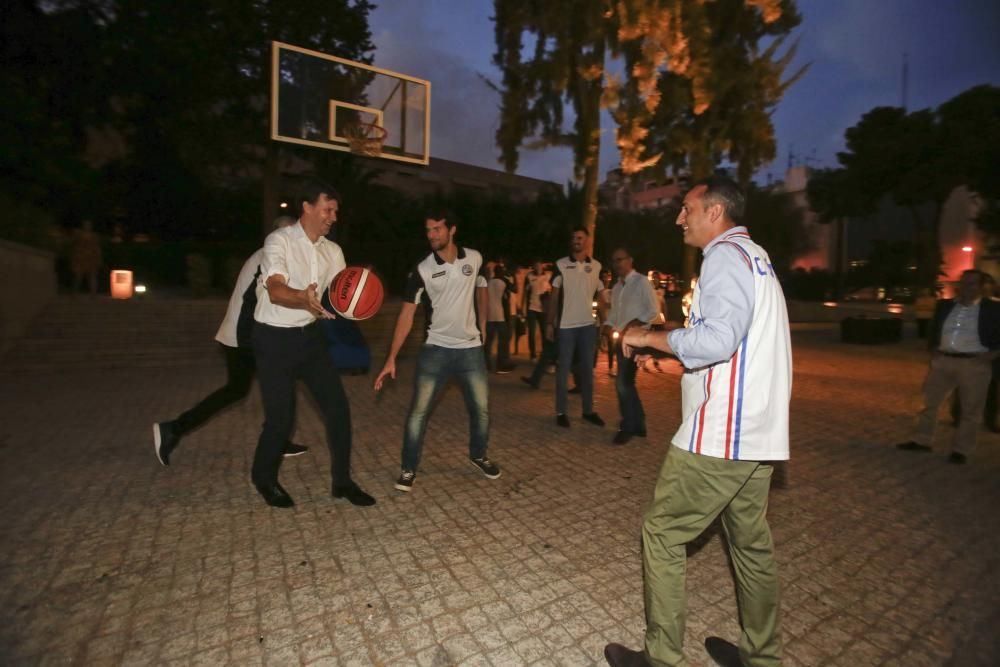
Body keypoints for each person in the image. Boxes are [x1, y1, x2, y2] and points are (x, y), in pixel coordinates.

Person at [605, 177, 792, 667]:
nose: (678, 218)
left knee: (662, 533)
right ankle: (761, 655)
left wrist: (646, 339)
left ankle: (662, 658)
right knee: (750, 545)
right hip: (758, 431)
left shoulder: (724, 257)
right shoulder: (755, 256)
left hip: (723, 433)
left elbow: (717, 340)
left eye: (687, 208)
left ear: (714, 212)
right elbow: (733, 345)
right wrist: (674, 357)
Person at [249, 178, 374, 509]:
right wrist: (302, 297)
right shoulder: (279, 241)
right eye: (327, 209)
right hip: (273, 337)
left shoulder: (333, 251)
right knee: (281, 418)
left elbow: (340, 298)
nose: (333, 217)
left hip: (310, 339)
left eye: (335, 211)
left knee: (338, 409)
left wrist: (358, 303)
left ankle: (342, 483)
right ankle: (264, 477)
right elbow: (275, 288)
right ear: (306, 207)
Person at [153, 217, 307, 466]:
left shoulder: (270, 257)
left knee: (255, 387)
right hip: (243, 336)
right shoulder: (269, 257)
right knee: (253, 388)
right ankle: (173, 428)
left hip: (245, 334)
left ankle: (276, 440)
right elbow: (258, 305)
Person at [373, 210, 501, 493]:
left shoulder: (475, 258)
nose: (431, 235)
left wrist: (482, 327)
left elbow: (481, 287)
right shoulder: (422, 269)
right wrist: (391, 357)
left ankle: (479, 455)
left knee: (481, 410)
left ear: (452, 230)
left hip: (470, 351)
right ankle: (408, 468)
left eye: (437, 229)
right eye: (428, 230)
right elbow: (406, 316)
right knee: (418, 412)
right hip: (436, 350)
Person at [897, 269, 1000, 464]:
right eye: (963, 282)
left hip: (974, 363)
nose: (966, 287)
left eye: (972, 283)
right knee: (928, 404)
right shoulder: (945, 305)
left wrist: (993, 354)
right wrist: (933, 347)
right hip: (943, 361)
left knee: (971, 410)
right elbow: (934, 328)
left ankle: (961, 450)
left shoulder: (993, 309)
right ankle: (922, 440)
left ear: (981, 287)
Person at [548, 226, 605, 429]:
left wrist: (604, 323)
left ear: (587, 241)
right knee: (563, 370)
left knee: (587, 371)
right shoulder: (561, 264)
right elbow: (554, 295)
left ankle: (588, 411)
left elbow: (602, 296)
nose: (576, 240)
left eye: (580, 237)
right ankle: (561, 412)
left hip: (588, 326)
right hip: (565, 326)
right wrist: (549, 322)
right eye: (574, 237)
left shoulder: (597, 266)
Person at [604, 247, 659, 445]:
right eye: (614, 260)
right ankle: (638, 424)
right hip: (620, 339)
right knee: (627, 383)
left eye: (620, 259)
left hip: (636, 340)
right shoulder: (617, 287)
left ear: (630, 260)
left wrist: (633, 323)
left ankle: (628, 426)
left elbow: (653, 311)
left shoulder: (641, 282)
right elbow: (614, 314)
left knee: (623, 383)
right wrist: (607, 327)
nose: (617, 264)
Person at [484, 261, 516, 373]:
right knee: (503, 342)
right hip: (500, 316)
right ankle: (501, 365)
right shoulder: (504, 282)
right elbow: (507, 299)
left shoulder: (488, 282)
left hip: (489, 316)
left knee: (488, 342)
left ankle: (486, 365)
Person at [522, 260, 550, 360]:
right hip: (531, 309)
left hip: (543, 309)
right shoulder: (529, 276)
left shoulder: (547, 276)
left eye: (540, 265)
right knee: (532, 333)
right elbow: (525, 293)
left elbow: (550, 292)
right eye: (536, 265)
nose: (538, 267)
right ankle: (533, 355)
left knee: (544, 333)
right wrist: (523, 308)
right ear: (534, 266)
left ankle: (544, 355)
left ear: (542, 266)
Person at [70, 220, 102, 295]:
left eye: (88, 225)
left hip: (91, 258)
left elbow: (97, 248)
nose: (87, 226)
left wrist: (98, 258)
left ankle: (93, 293)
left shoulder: (94, 236)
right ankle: (74, 293)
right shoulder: (79, 235)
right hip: (81, 258)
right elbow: (75, 246)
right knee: (78, 276)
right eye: (86, 225)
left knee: (92, 276)